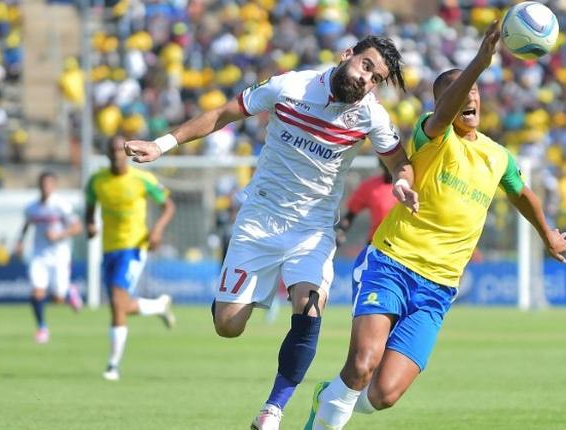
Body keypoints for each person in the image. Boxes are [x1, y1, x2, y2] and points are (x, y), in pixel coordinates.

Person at [124, 35, 419, 430]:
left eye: (376, 78)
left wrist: (401, 181)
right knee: (228, 325)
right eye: (366, 66)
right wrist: (162, 144)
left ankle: (272, 410)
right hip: (260, 217)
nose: (367, 79)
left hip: (313, 229)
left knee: (310, 307)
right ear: (347, 55)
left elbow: (399, 160)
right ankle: (231, 298)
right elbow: (224, 113)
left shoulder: (371, 116)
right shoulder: (289, 86)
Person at [304, 23, 566, 429]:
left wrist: (547, 233)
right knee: (361, 364)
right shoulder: (432, 135)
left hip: (439, 287)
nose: (470, 98)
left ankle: (329, 396)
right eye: (460, 91)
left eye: (475, 94)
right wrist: (479, 65)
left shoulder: (497, 157)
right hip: (392, 263)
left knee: (383, 394)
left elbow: (521, 193)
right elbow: (448, 107)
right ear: (442, 101)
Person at [85, 136, 176, 381]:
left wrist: (156, 230)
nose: (116, 154)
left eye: (119, 150)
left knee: (117, 302)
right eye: (112, 149)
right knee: (120, 305)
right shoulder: (97, 181)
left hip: (134, 246)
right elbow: (89, 208)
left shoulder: (141, 179)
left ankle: (113, 365)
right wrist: (90, 224)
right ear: (106, 153)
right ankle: (158, 305)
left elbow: (168, 205)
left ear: (125, 152)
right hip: (109, 248)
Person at [15, 172, 84, 344]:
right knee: (37, 291)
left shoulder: (61, 205)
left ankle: (69, 291)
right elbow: (26, 224)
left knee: (58, 298)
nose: (46, 187)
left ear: (54, 186)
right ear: (39, 185)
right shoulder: (32, 208)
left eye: (49, 184)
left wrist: (59, 235)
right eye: (43, 184)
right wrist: (20, 242)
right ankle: (42, 328)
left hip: (59, 255)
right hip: (39, 255)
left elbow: (77, 228)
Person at [335, 160, 398, 298]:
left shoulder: (414, 184)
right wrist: (340, 231)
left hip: (406, 249)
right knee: (374, 294)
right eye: (384, 162)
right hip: (377, 248)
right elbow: (350, 214)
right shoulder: (370, 186)